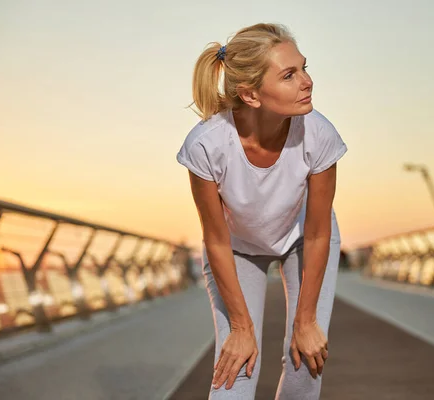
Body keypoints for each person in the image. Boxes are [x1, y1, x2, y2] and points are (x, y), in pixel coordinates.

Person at [176, 22, 347, 400]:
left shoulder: (320, 135)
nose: (307, 81)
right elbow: (216, 240)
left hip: (304, 240)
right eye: (289, 75)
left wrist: (305, 321)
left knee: (306, 363)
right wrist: (240, 326)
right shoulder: (207, 145)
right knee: (235, 370)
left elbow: (318, 232)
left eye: (304, 67)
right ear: (250, 94)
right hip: (235, 248)